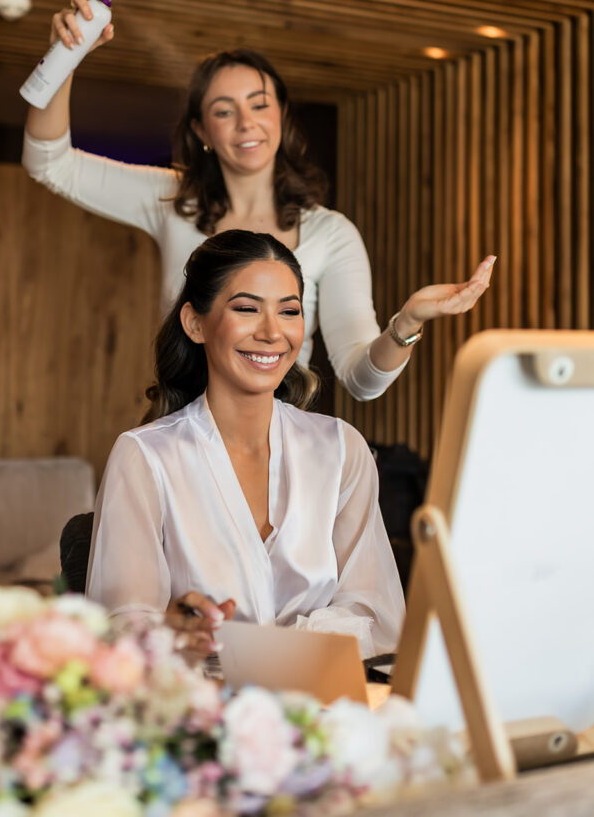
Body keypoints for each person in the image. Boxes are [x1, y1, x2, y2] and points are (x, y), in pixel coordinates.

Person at [22, 0, 495, 401]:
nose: (246, 123)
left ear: (282, 115)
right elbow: (49, 162)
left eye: (259, 105)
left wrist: (408, 321)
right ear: (201, 129)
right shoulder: (173, 199)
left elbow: (361, 379)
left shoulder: (329, 233)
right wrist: (67, 55)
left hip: (280, 448)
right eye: (224, 111)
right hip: (178, 439)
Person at [86, 230, 405, 660]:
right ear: (195, 324)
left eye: (288, 311)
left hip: (319, 706)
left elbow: (375, 612)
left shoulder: (341, 450)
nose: (273, 332)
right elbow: (122, 625)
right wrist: (170, 630)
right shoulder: (144, 457)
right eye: (247, 308)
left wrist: (269, 656)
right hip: (195, 711)